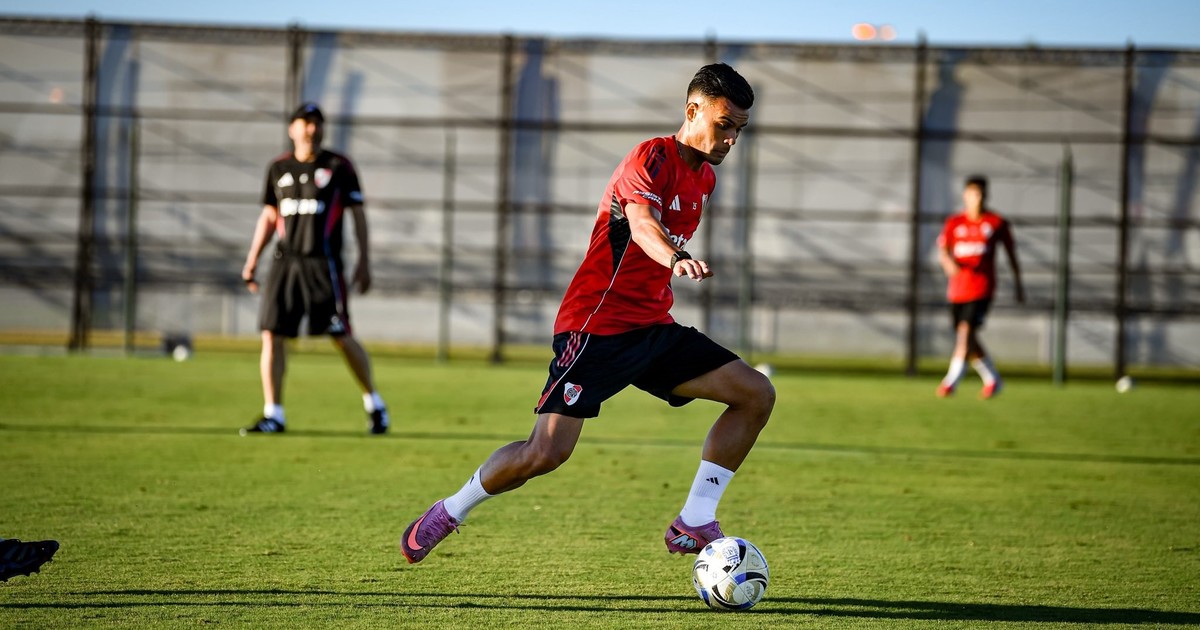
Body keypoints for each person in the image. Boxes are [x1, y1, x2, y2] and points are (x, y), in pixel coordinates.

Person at [399, 63, 774, 564]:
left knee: (755, 394)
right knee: (545, 453)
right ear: (692, 111)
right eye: (724, 125)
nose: (731, 139)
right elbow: (642, 223)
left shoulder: (704, 177)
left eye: (739, 130)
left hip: (652, 328)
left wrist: (671, 265)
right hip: (596, 328)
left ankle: (694, 520)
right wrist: (676, 257)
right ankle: (449, 510)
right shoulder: (651, 158)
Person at [240, 103, 389, 435]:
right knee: (272, 333)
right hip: (284, 262)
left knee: (340, 334)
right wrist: (252, 261)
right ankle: (274, 414)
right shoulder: (278, 168)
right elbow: (269, 216)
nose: (311, 129)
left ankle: (375, 404)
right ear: (292, 129)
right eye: (305, 123)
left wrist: (364, 260)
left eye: (317, 123)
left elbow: (358, 215)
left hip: (324, 263)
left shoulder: (338, 166)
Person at [935, 175, 1025, 399]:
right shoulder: (954, 223)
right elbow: (943, 250)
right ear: (965, 195)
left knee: (965, 332)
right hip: (957, 290)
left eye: (982, 194)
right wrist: (948, 263)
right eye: (974, 194)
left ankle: (950, 382)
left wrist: (1018, 284)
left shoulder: (996, 222)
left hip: (982, 288)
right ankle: (993, 379)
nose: (978, 198)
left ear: (987, 195)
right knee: (969, 338)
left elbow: (1011, 255)